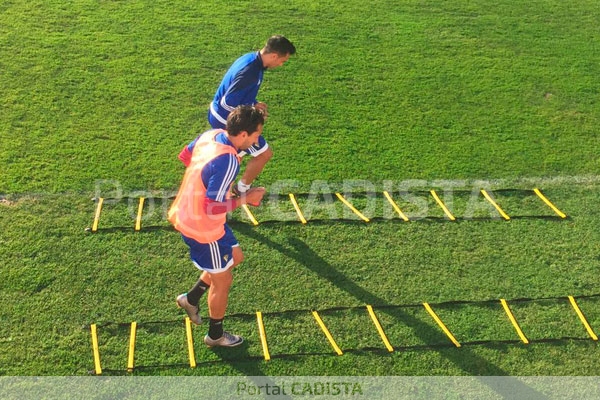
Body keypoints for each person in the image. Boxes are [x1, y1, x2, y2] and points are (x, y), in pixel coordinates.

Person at [169, 105, 266, 347]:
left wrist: (210, 185)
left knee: (236, 256)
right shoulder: (228, 162)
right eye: (255, 136)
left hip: (194, 214)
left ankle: (191, 299)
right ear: (242, 134)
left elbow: (185, 157)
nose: (256, 141)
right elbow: (212, 207)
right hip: (202, 228)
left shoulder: (209, 135)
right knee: (223, 281)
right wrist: (247, 198)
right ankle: (215, 336)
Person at [178, 35, 296, 195]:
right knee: (263, 154)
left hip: (216, 112)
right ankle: (240, 190)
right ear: (274, 55)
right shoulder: (251, 72)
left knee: (236, 154)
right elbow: (228, 102)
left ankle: (196, 158)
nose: (280, 65)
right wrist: (253, 112)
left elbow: (235, 92)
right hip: (224, 118)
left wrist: (253, 103)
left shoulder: (250, 59)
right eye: (282, 61)